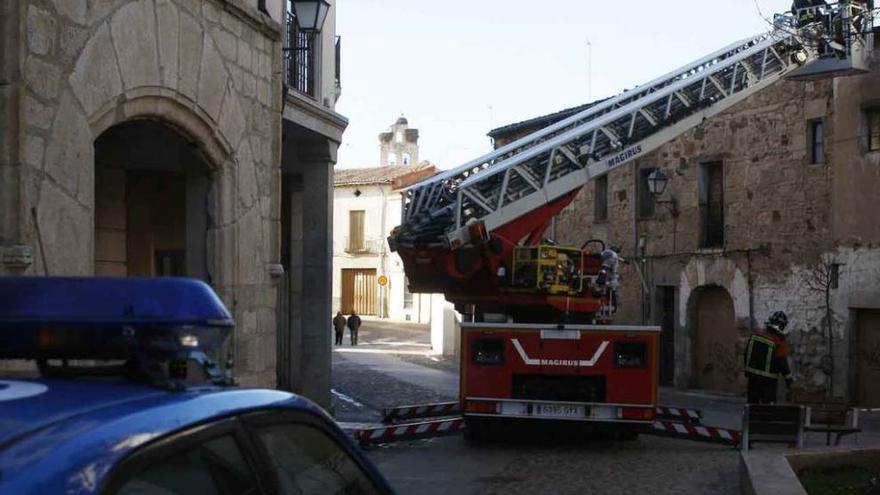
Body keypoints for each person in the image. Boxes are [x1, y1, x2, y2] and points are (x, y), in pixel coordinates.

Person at [744, 311, 794, 404]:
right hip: (768, 382)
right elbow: (782, 363)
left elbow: (747, 352)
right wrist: (789, 381)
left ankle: (751, 418)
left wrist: (747, 370)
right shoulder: (779, 341)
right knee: (767, 408)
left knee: (751, 405)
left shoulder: (756, 334)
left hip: (752, 378)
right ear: (782, 325)